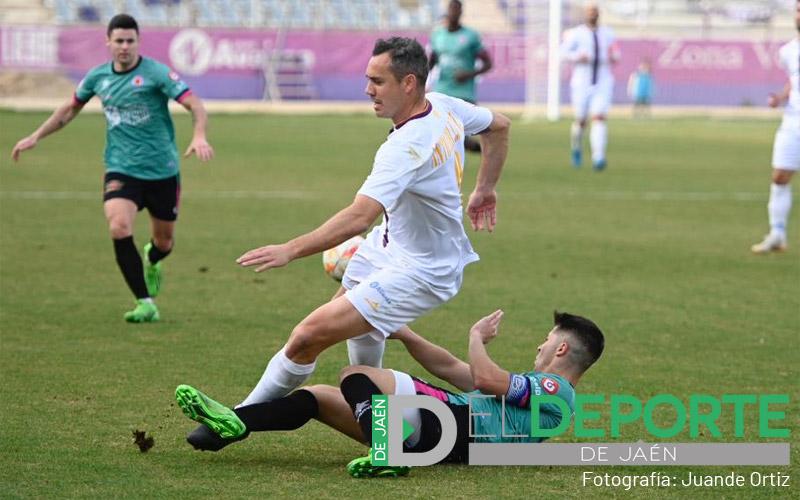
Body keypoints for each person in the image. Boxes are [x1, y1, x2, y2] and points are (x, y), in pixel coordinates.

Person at [205, 37, 507, 422]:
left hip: (422, 270)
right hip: (385, 249)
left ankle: (237, 419)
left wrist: (290, 249)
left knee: (307, 335)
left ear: (409, 83)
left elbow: (359, 217)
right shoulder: (444, 106)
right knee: (357, 337)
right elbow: (500, 127)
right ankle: (373, 421)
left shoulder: (406, 147)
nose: (368, 90)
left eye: (378, 82)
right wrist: (485, 188)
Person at [174, 309, 605, 478]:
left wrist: (477, 337)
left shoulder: (557, 391)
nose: (540, 346)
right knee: (317, 398)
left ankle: (388, 449)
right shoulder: (538, 396)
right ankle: (237, 422)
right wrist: (403, 332)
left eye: (547, 340)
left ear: (562, 348)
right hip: (444, 437)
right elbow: (453, 369)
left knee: (356, 372)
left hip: (453, 427)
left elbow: (486, 378)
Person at [10, 14, 214, 322]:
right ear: (108, 42)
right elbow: (69, 109)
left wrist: (199, 135)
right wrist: (36, 135)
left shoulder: (156, 73)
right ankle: (145, 302)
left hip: (162, 170)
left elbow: (194, 104)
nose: (124, 47)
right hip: (121, 168)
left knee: (164, 242)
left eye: (130, 41)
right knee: (119, 226)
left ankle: (153, 258)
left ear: (138, 42)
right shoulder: (97, 77)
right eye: (118, 41)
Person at [751, 2, 800, 254]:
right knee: (780, 176)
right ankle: (777, 233)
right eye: (798, 10)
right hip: (793, 121)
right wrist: (781, 98)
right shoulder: (788, 51)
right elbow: (795, 80)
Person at [561, 3, 620, 171]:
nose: (592, 15)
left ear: (599, 14)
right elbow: (562, 53)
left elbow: (616, 52)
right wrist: (577, 56)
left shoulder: (607, 33)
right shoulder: (576, 34)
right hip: (582, 82)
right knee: (581, 120)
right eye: (589, 12)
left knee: (599, 117)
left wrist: (614, 56)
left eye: (595, 12)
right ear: (585, 14)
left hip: (602, 80)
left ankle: (598, 157)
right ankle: (576, 148)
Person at [429, 0, 493, 152]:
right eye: (451, 8)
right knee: (442, 133)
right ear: (447, 11)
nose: (453, 12)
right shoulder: (438, 35)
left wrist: (468, 74)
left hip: (464, 93)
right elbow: (431, 62)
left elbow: (488, 63)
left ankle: (477, 146)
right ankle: (473, 147)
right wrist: (421, 82)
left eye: (456, 9)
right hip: (441, 90)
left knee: (455, 134)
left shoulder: (470, 36)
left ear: (460, 12)